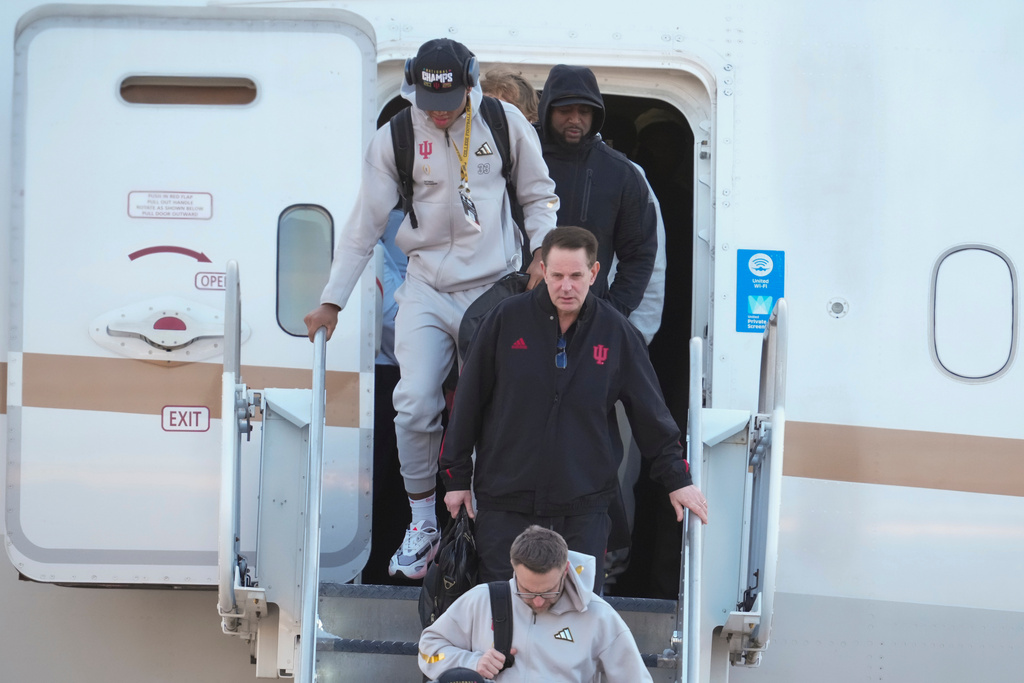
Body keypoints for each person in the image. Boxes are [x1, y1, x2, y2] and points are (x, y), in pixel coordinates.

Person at [304, 38, 559, 580]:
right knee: (415, 403)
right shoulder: (394, 137)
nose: (439, 111)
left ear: (472, 82)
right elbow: (362, 228)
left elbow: (540, 197)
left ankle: (488, 520)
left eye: (450, 99)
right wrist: (332, 299)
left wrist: (542, 254)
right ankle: (422, 522)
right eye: (428, 99)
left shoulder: (506, 122)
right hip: (426, 287)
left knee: (494, 413)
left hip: (495, 286)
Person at [439, 227, 707, 592]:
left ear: (594, 273)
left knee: (576, 619)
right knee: (503, 614)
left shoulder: (616, 333)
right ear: (543, 271)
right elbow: (467, 402)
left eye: (577, 276)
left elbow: (651, 414)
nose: (567, 286)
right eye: (557, 276)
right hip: (505, 500)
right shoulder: (505, 320)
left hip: (584, 506)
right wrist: (455, 478)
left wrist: (678, 480)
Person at [419, 526, 654, 682]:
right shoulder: (482, 599)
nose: (539, 600)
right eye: (528, 591)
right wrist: (473, 662)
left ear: (566, 571)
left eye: (549, 591)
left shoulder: (599, 616)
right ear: (514, 569)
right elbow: (428, 649)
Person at [538, 64, 657, 317]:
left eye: (584, 111)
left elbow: (640, 253)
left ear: (596, 114)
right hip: (521, 315)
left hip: (588, 319)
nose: (575, 119)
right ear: (547, 110)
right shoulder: (521, 158)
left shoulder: (621, 173)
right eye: (565, 110)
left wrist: (610, 312)